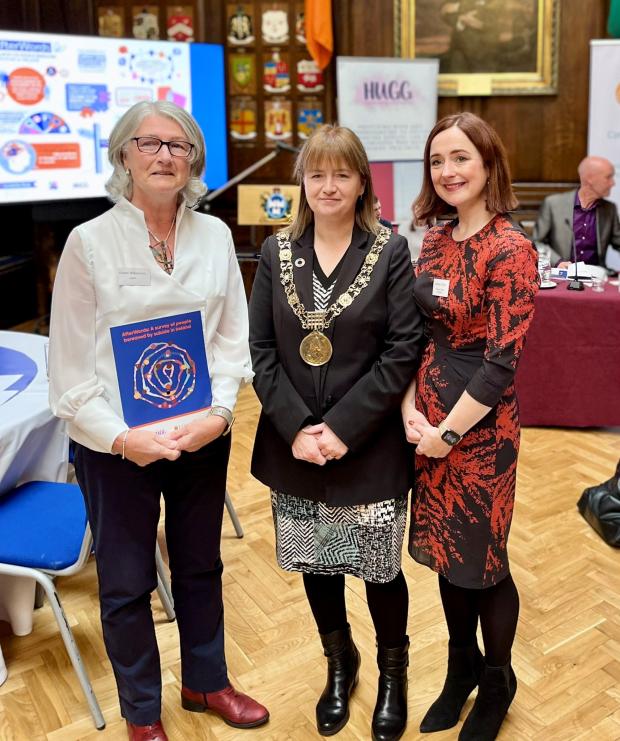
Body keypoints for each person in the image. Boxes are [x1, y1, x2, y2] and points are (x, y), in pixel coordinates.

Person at [48, 101, 269, 741]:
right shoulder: (89, 241)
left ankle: (207, 681)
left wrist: (221, 414)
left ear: (194, 159)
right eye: (149, 143)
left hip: (201, 432)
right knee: (124, 581)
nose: (165, 155)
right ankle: (142, 713)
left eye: (178, 145)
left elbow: (233, 338)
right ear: (125, 155)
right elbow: (69, 372)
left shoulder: (217, 236)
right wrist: (122, 437)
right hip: (116, 443)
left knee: (201, 565)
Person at [249, 125, 424, 741]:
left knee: (379, 571)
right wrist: (298, 428)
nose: (328, 186)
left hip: (367, 443)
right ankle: (339, 662)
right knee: (317, 564)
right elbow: (261, 350)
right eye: (316, 174)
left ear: (360, 183)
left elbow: (404, 348)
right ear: (302, 181)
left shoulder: (390, 250)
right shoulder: (276, 252)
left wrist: (343, 429)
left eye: (341, 174)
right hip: (293, 445)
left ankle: (393, 673)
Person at [402, 112, 539, 741]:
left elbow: (501, 365)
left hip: (478, 436)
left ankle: (497, 678)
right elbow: (418, 335)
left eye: (460, 158)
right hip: (425, 421)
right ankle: (459, 671)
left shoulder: (512, 249)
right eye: (437, 161)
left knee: (483, 563)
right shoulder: (433, 241)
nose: (448, 171)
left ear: (487, 164)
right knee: (445, 556)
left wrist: (446, 434)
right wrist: (409, 406)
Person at [533, 155, 620, 268]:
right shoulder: (553, 204)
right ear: (590, 178)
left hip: (596, 278)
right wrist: (558, 262)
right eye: (608, 177)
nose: (613, 183)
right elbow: (537, 242)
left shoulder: (609, 209)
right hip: (562, 276)